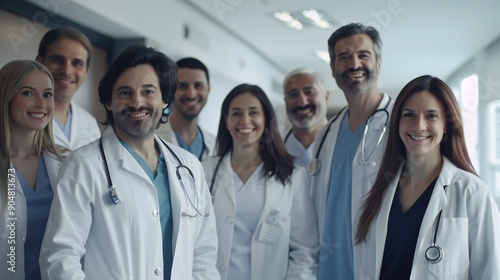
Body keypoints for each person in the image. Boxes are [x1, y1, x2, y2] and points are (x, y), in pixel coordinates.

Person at [39, 45, 219, 279]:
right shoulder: (83, 165)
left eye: (148, 92)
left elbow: (203, 253)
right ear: (109, 102)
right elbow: (60, 257)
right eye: (125, 92)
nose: (136, 102)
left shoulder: (189, 166)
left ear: (165, 99)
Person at [355, 75, 500, 279]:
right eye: (409, 115)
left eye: (431, 116)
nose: (419, 126)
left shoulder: (472, 193)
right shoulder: (377, 189)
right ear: (397, 122)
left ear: (447, 124)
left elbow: (491, 273)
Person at [202, 83, 318, 280]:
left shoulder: (292, 176)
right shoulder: (205, 172)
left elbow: (305, 251)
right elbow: (193, 242)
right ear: (226, 120)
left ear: (266, 119)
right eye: (236, 113)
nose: (245, 120)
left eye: (254, 112)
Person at [310, 23, 394, 279]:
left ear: (378, 63)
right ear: (333, 68)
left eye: (363, 55)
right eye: (343, 57)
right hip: (328, 269)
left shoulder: (400, 127)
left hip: (379, 265)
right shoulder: (325, 134)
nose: (353, 64)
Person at [0, 60, 64, 280]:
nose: (40, 103)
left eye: (47, 94)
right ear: (6, 97)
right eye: (27, 93)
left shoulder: (68, 162)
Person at [36, 27, 101, 150]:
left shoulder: (89, 123)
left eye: (77, 63)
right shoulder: (17, 114)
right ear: (39, 62)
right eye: (57, 60)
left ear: (86, 71)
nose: (66, 71)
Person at [156, 57, 215, 160]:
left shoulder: (216, 145)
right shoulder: (153, 138)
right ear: (170, 90)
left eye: (198, 86)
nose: (191, 94)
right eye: (182, 86)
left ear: (208, 89)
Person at [282, 68, 329, 170]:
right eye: (293, 94)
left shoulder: (345, 146)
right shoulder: (273, 152)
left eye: (309, 92)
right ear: (285, 101)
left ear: (326, 97)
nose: (302, 102)